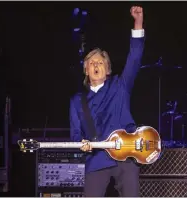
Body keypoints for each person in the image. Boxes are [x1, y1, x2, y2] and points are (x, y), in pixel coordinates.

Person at [70, 6, 145, 197]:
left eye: (100, 62)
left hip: (125, 157)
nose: (96, 65)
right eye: (92, 63)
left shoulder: (120, 86)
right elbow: (76, 135)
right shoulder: (77, 102)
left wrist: (138, 23)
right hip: (96, 160)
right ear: (86, 70)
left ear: (108, 69)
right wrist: (82, 144)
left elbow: (135, 58)